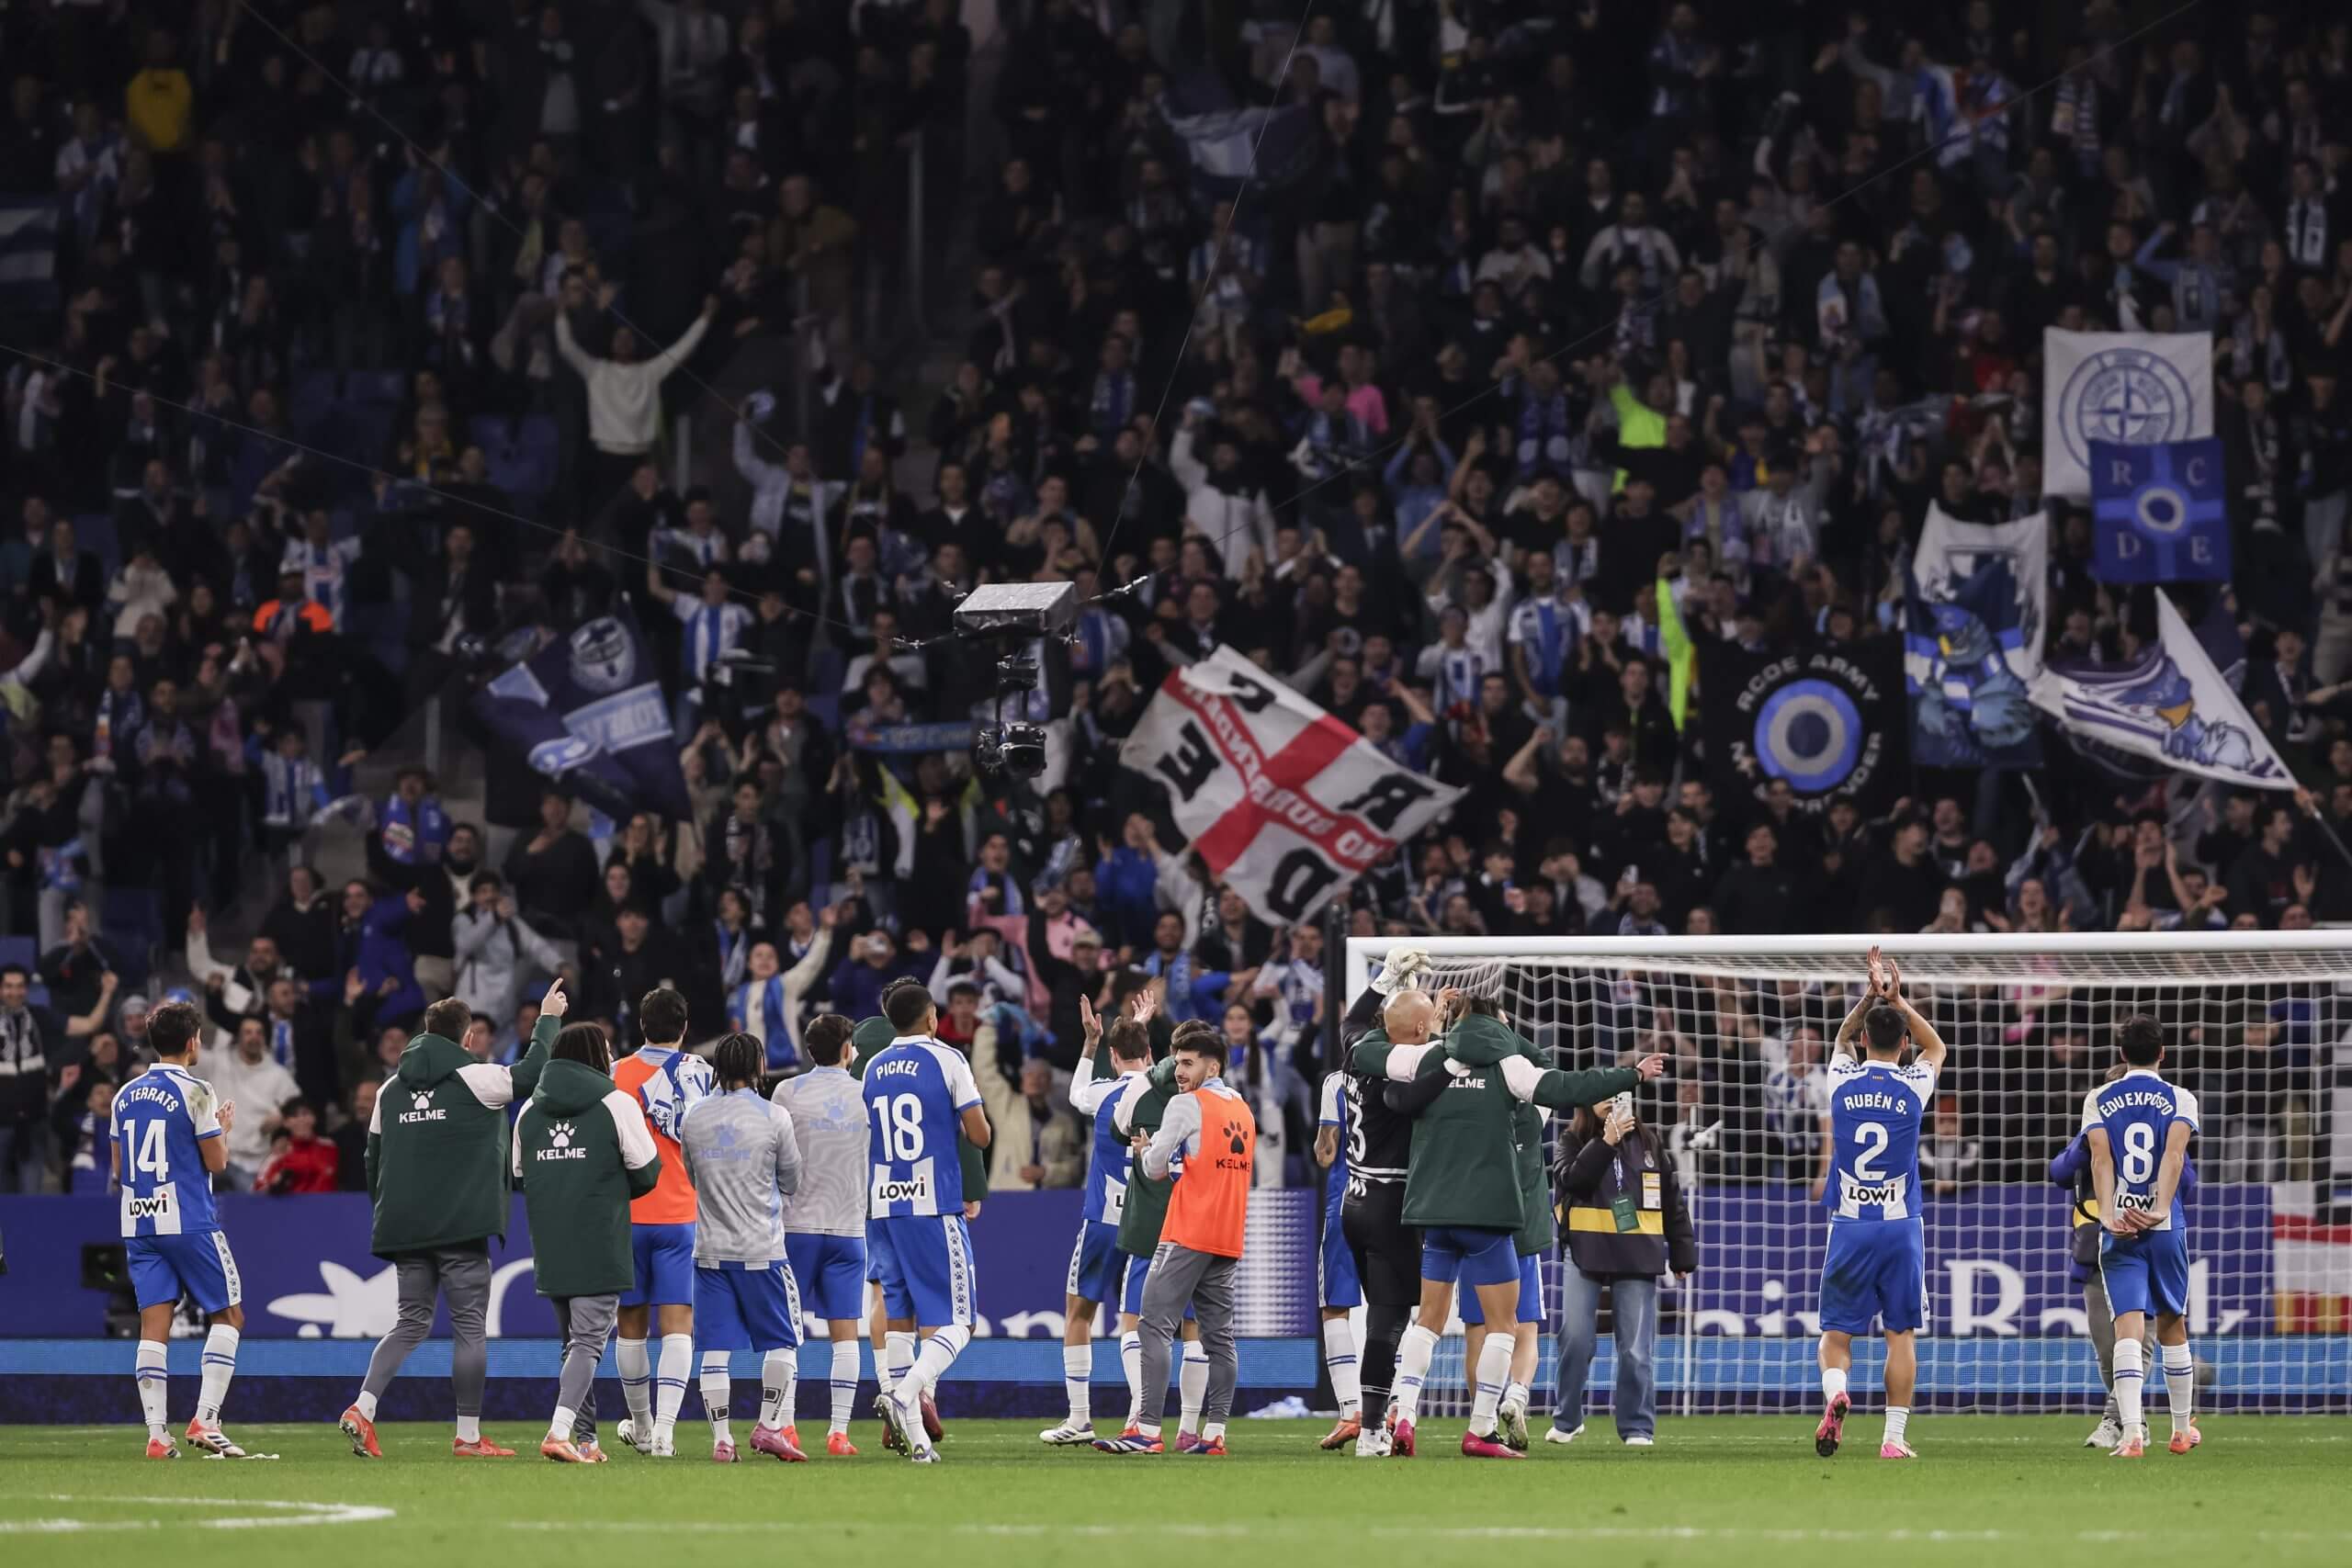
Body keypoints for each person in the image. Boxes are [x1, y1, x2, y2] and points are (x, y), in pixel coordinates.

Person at [1354, 987, 1657, 1459]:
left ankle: (1405, 1415)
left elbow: (1364, 1050)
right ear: (1498, 1025)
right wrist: (1631, 1074)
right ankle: (1479, 1430)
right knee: (1504, 1326)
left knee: (1428, 1321)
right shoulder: (1510, 1064)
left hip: (1433, 1211)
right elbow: (1566, 1086)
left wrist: (1434, 1024)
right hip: (1488, 1215)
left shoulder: (1429, 1056)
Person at [342, 980, 565, 1460]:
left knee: (410, 1322)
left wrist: (390, 1212)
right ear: (466, 1040)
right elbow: (530, 1075)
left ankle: (363, 1406)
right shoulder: (478, 1078)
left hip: (405, 1226)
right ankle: (467, 1435)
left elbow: (372, 1160)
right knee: (468, 1328)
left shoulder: (387, 1090)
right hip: (461, 1226)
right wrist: (547, 1018)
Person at [1094, 1018, 1256, 1456]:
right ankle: (1215, 1433)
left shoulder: (1187, 1105)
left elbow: (1154, 1167)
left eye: (1187, 1062)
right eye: (1177, 1062)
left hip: (1188, 1231)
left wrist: (1146, 1151)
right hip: (1227, 1233)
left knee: (1153, 1325)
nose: (1179, 1071)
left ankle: (1147, 1430)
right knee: (1218, 1337)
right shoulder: (1242, 1107)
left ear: (1212, 1064)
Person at [1815, 948, 1949, 1461]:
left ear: (1866, 1040)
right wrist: (1898, 999)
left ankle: (1836, 1394)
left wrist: (1871, 996)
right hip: (1901, 1227)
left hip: (1850, 1224)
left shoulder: (1842, 1080)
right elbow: (1936, 1046)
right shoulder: (1915, 1085)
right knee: (1900, 1335)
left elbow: (1842, 1037)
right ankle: (1892, 1439)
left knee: (1835, 1333)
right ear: (1905, 1043)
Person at [512, 1019, 662, 1463]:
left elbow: (520, 1175)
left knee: (574, 1346)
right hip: (599, 1234)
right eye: (608, 1049)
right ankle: (559, 1431)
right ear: (597, 1055)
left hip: (551, 1238)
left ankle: (586, 1440)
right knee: (589, 1343)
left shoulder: (528, 1111)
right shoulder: (615, 1102)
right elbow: (648, 1172)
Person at [862, 977, 992, 1462]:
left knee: (899, 1319)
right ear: (932, 1016)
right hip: (931, 1202)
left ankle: (915, 1441)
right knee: (960, 1321)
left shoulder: (873, 1067)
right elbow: (978, 1135)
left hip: (883, 1204)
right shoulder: (947, 1058)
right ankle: (907, 1392)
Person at [110, 999, 246, 1459]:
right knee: (229, 1316)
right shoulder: (197, 1091)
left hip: (138, 1222)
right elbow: (218, 1161)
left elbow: (119, 1168)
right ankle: (206, 1419)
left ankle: (156, 1433)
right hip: (187, 1219)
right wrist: (221, 1130)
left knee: (154, 1326)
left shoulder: (123, 1095)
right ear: (193, 1043)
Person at [2048, 1068, 2202, 1451]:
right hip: (2103, 1247)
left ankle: (2127, 1426)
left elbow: (2185, 1176)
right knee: (2113, 1345)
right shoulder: (2103, 1128)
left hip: (2118, 1233)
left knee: (2140, 1336)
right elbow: (2061, 1171)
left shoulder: (2103, 1109)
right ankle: (2156, 1427)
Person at [680, 1032, 807, 1463]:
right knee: (784, 1342)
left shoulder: (693, 1116)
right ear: (758, 1067)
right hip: (762, 1252)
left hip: (709, 1251)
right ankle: (769, 1426)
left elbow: (693, 1178)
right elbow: (791, 1181)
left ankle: (721, 1440)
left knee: (715, 1348)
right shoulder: (774, 1116)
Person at [2084, 1014, 2203, 1460]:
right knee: (2173, 1323)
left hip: (2118, 1229)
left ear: (2120, 1054)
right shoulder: (2180, 1098)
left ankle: (2132, 1432)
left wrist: (2112, 1215)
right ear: (2162, 1053)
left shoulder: (2099, 1097)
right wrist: (2157, 1210)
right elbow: (2174, 1155)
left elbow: (2100, 1161)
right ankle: (2179, 1430)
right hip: (2164, 1225)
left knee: (2128, 1328)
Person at [1040, 993, 1154, 1446]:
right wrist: (1143, 1025)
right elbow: (1159, 1073)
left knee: (1078, 1312)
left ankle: (1080, 1418)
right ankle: (1140, 1417)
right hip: (1148, 1223)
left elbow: (1074, 1094)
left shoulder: (1103, 1092)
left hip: (1103, 1222)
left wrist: (1089, 1042)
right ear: (1150, 1052)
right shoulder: (1165, 1090)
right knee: (1140, 1321)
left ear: (1112, 1055)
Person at [1550, 1092, 1696, 1446]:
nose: (1610, 1102)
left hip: (1637, 1252)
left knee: (1634, 1348)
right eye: (1601, 1096)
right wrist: (1607, 1140)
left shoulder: (1649, 1142)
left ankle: (1637, 1427)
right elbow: (1574, 1181)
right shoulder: (1571, 1140)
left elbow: (1671, 1198)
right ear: (1586, 1103)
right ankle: (1568, 1420)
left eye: (1618, 1096)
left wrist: (1681, 1253)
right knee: (1576, 1339)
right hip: (1586, 1248)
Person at [1334, 953, 1435, 1458]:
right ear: (1414, 1033)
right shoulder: (1401, 1072)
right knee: (1390, 1321)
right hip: (1389, 1202)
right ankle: (1373, 1429)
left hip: (1354, 1198)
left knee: (1386, 1316)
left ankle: (1380, 1412)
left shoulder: (1358, 1048)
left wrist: (1384, 980)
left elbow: (1353, 1021)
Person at [609, 987, 717, 1457]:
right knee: (679, 1326)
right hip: (681, 1216)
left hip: (627, 1216)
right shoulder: (702, 1075)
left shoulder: (614, 1076)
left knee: (630, 1324)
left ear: (641, 1026)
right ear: (685, 1028)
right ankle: (666, 1435)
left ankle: (643, 1426)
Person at [773, 1013, 868, 1456]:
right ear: (848, 1048)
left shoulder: (787, 1092)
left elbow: (778, 1157)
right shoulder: (865, 1091)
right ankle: (839, 1432)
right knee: (845, 1334)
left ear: (810, 1051)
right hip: (850, 1228)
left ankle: (785, 1426)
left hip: (796, 1227)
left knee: (786, 1334)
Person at [1312, 1056, 1363, 1450]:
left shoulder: (1338, 1082)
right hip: (1397, 1200)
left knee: (1335, 1307)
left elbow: (1325, 1155)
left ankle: (1350, 1411)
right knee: (1396, 1307)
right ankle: (1396, 1409)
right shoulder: (1413, 1066)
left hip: (1346, 1202)